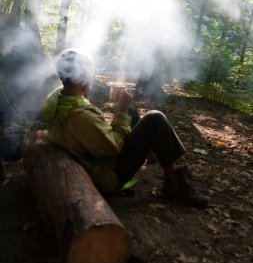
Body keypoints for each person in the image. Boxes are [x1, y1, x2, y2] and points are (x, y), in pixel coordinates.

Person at [43, 49, 209, 208]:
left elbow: (91, 132)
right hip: (109, 174)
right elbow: (113, 147)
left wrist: (124, 111)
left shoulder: (58, 99)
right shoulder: (80, 115)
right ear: (81, 78)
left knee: (131, 110)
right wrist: (121, 111)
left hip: (91, 156)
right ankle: (174, 184)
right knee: (155, 118)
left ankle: (153, 149)